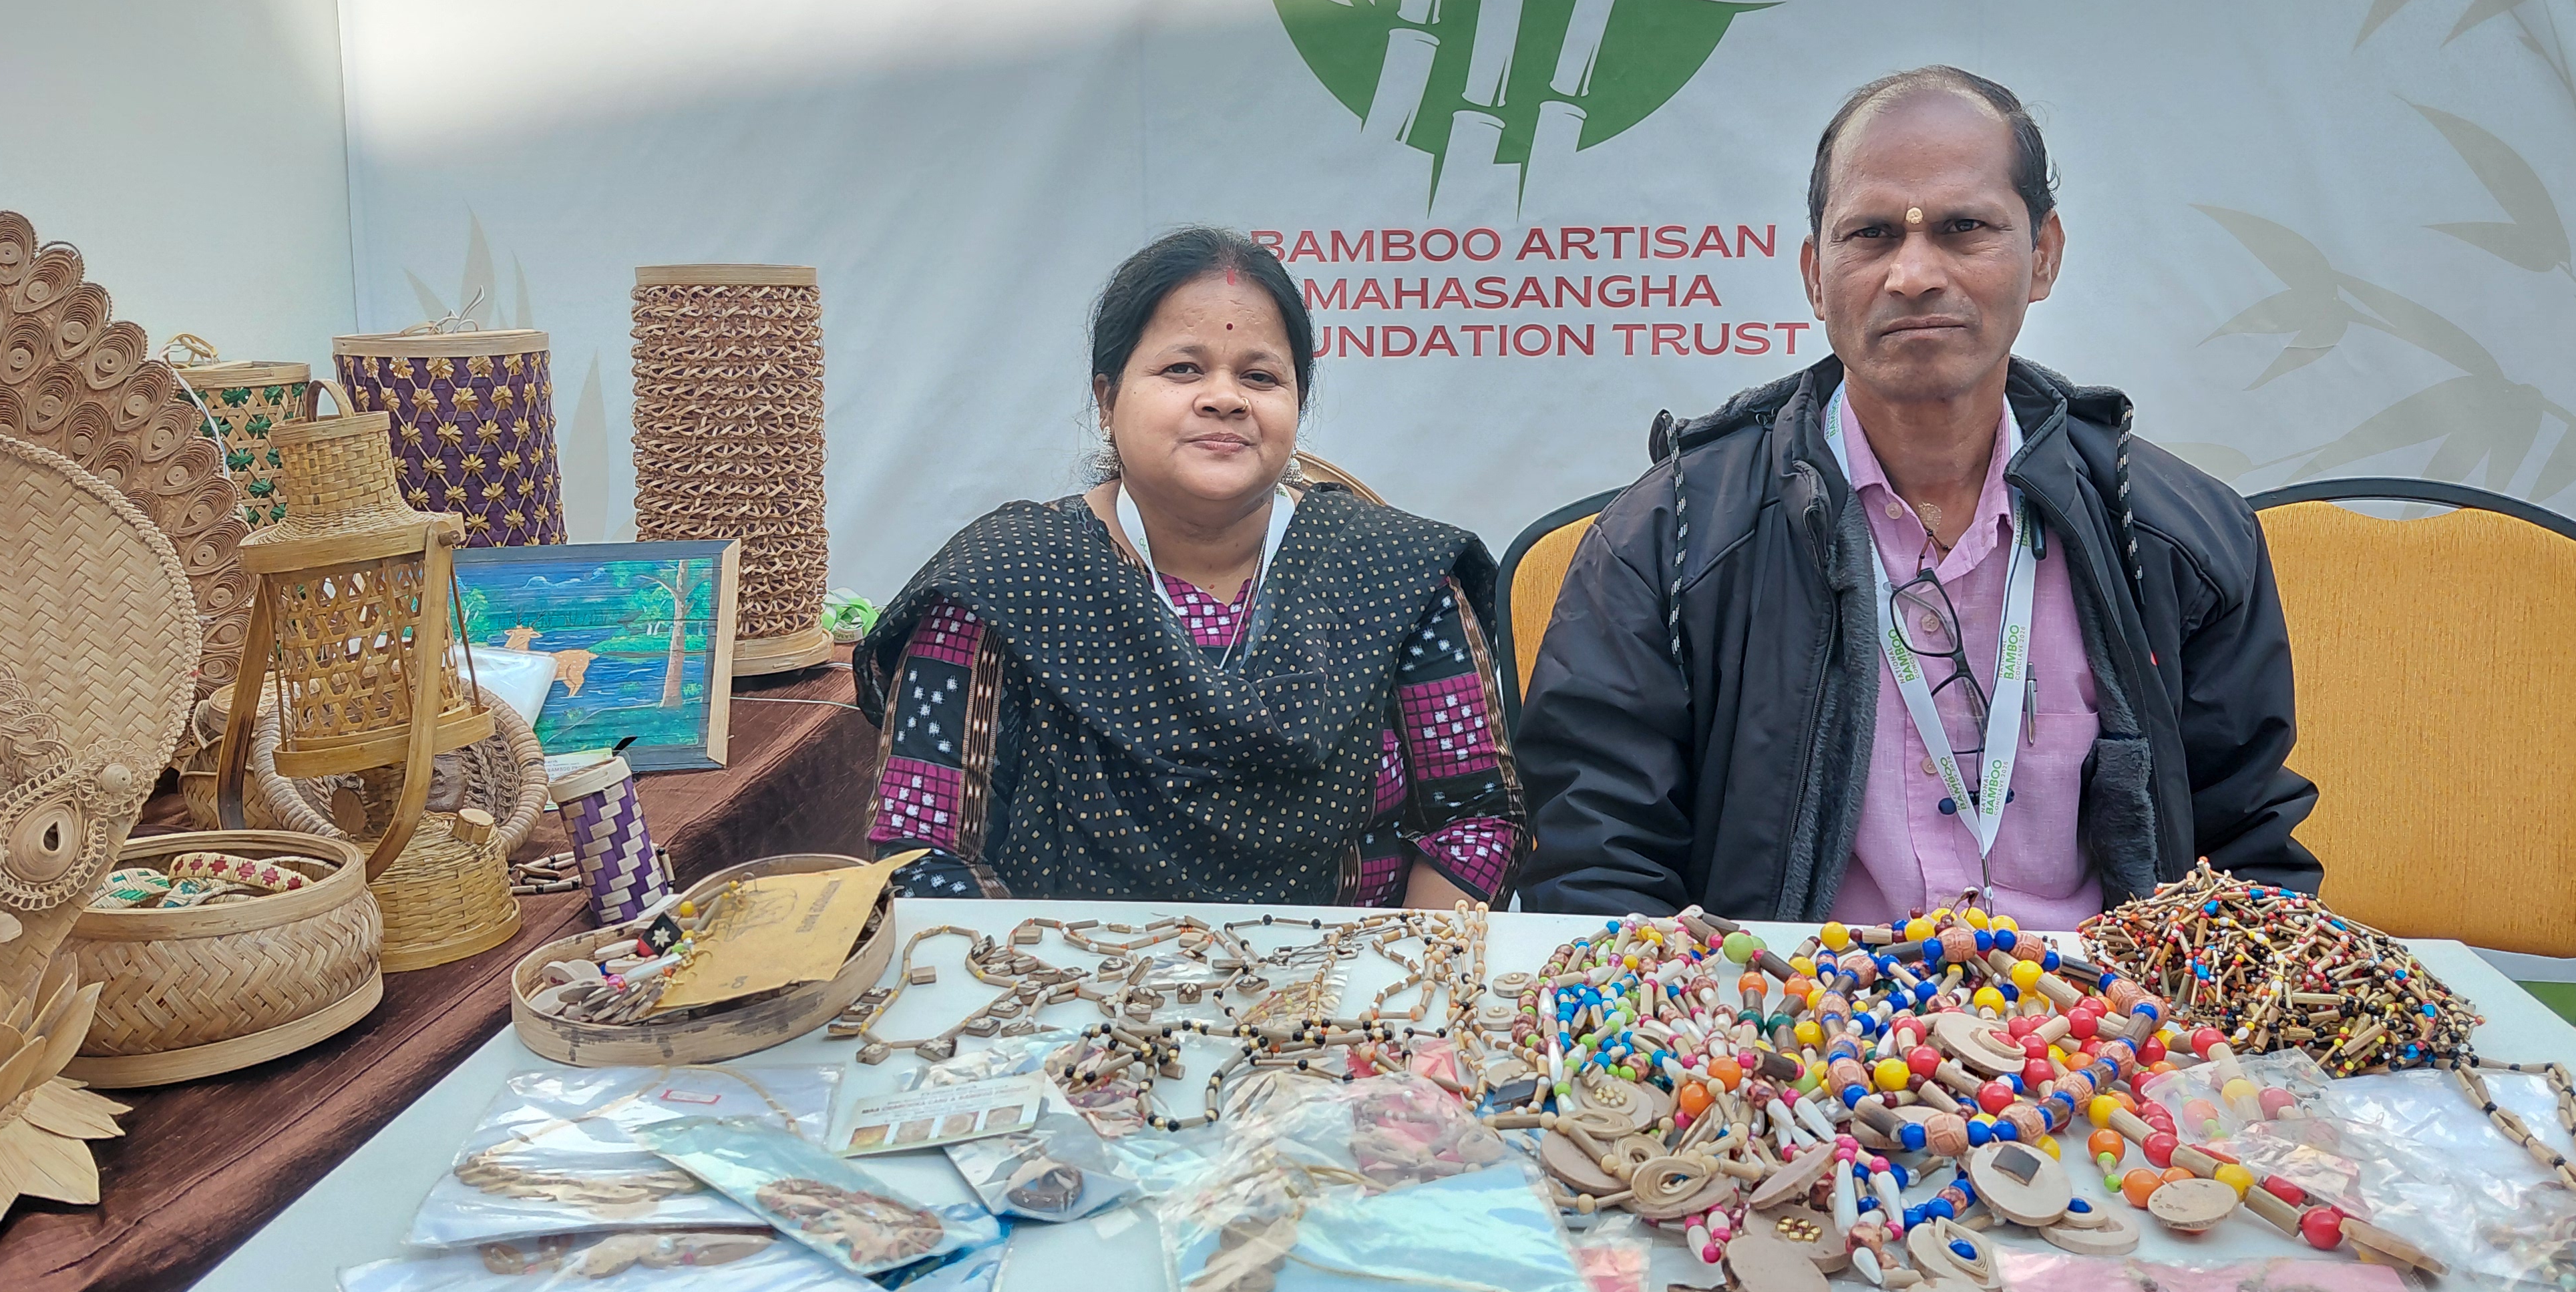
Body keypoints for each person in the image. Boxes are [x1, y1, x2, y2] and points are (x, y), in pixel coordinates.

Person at [1515, 66, 2317, 923]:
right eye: (1870, 235)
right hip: (1787, 1031)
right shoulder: (1670, 538)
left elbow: (2242, 857)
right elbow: (1598, 869)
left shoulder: (2169, 534)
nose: (1913, 273)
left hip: (2103, 1028)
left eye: (1964, 228)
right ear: (1816, 275)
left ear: (2043, 255)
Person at [855, 226, 1527, 906]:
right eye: (1183, 369)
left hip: (1355, 997)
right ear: (1107, 399)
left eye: (1260, 376)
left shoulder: (1395, 575)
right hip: (1055, 993)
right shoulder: (1007, 579)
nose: (1225, 398)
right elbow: (924, 849)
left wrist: (1394, 994)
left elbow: (1474, 821)